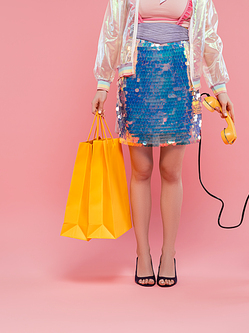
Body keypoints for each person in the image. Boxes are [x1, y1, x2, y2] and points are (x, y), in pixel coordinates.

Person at [91, 0, 234, 287]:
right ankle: (142, 253)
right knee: (141, 171)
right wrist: (102, 84)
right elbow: (112, 29)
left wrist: (220, 88)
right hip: (136, 78)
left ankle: (168, 253)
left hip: (180, 78)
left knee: (171, 171)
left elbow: (208, 36)